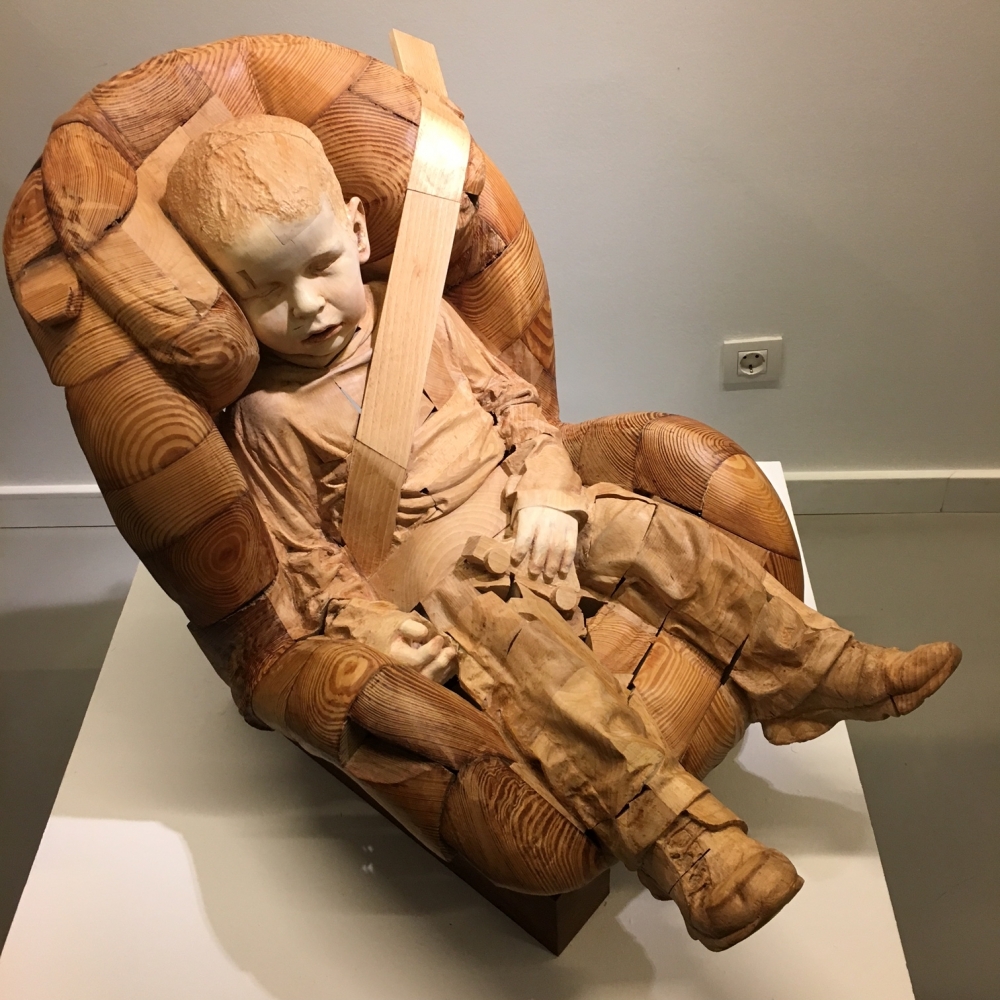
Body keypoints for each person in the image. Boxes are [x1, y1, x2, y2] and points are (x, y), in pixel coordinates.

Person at [164, 115, 960, 951]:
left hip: (531, 509)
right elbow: (305, 560)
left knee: (662, 535)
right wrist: (372, 627)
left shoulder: (418, 317)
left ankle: (820, 670)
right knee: (551, 675)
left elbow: (516, 408)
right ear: (227, 297)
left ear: (357, 232)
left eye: (321, 265)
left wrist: (550, 489)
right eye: (264, 290)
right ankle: (690, 849)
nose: (305, 305)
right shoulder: (268, 416)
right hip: (446, 583)